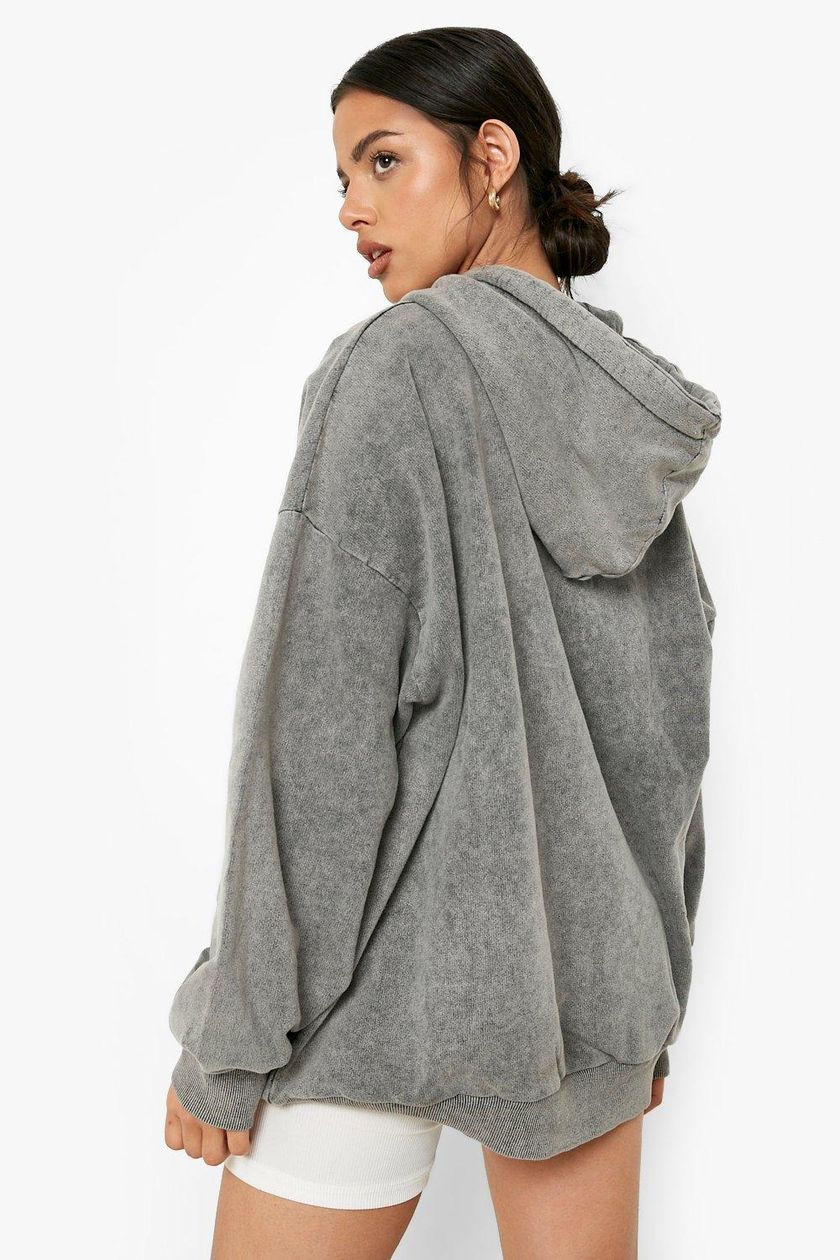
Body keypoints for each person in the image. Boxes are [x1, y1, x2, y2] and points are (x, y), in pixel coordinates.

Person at [163, 25, 722, 1260]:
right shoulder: (621, 406)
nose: (351, 210)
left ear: (492, 159)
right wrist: (645, 1000)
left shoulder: (397, 368)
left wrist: (231, 1041)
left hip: (369, 998)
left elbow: (313, 742)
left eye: (383, 161)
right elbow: (666, 741)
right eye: (342, 177)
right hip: (586, 1002)